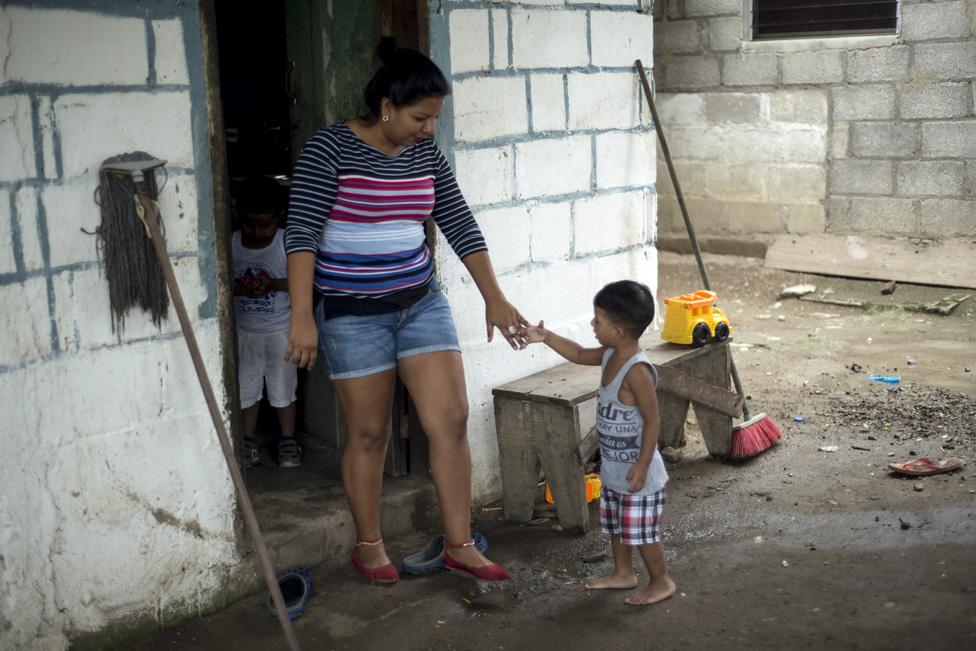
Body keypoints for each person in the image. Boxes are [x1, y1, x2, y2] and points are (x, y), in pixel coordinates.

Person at [284, 38, 526, 584]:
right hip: (351, 312)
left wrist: (494, 295)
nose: (428, 129)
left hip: (420, 303)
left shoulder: (425, 156)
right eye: (421, 117)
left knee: (451, 420)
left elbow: (459, 222)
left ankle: (459, 544)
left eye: (434, 118)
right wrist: (302, 315)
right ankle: (369, 545)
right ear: (387, 106)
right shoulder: (329, 150)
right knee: (369, 434)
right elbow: (300, 234)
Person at [524, 280, 677, 606]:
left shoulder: (637, 371)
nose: (593, 325)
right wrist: (546, 336)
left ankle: (661, 581)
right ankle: (624, 573)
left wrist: (642, 463)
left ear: (619, 331)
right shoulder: (610, 355)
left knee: (642, 534)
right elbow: (578, 353)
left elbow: (653, 420)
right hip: (614, 469)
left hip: (640, 476)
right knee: (618, 527)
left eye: (598, 321)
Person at [232, 176, 301, 469]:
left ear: (279, 218)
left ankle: (288, 439)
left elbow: (301, 281)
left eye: (265, 225)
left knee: (283, 387)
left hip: (280, 330)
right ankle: (246, 440)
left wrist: (272, 283)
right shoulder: (232, 242)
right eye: (250, 224)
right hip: (243, 330)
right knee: (245, 389)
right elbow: (223, 280)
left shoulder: (286, 241)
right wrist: (239, 286)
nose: (257, 231)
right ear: (238, 216)